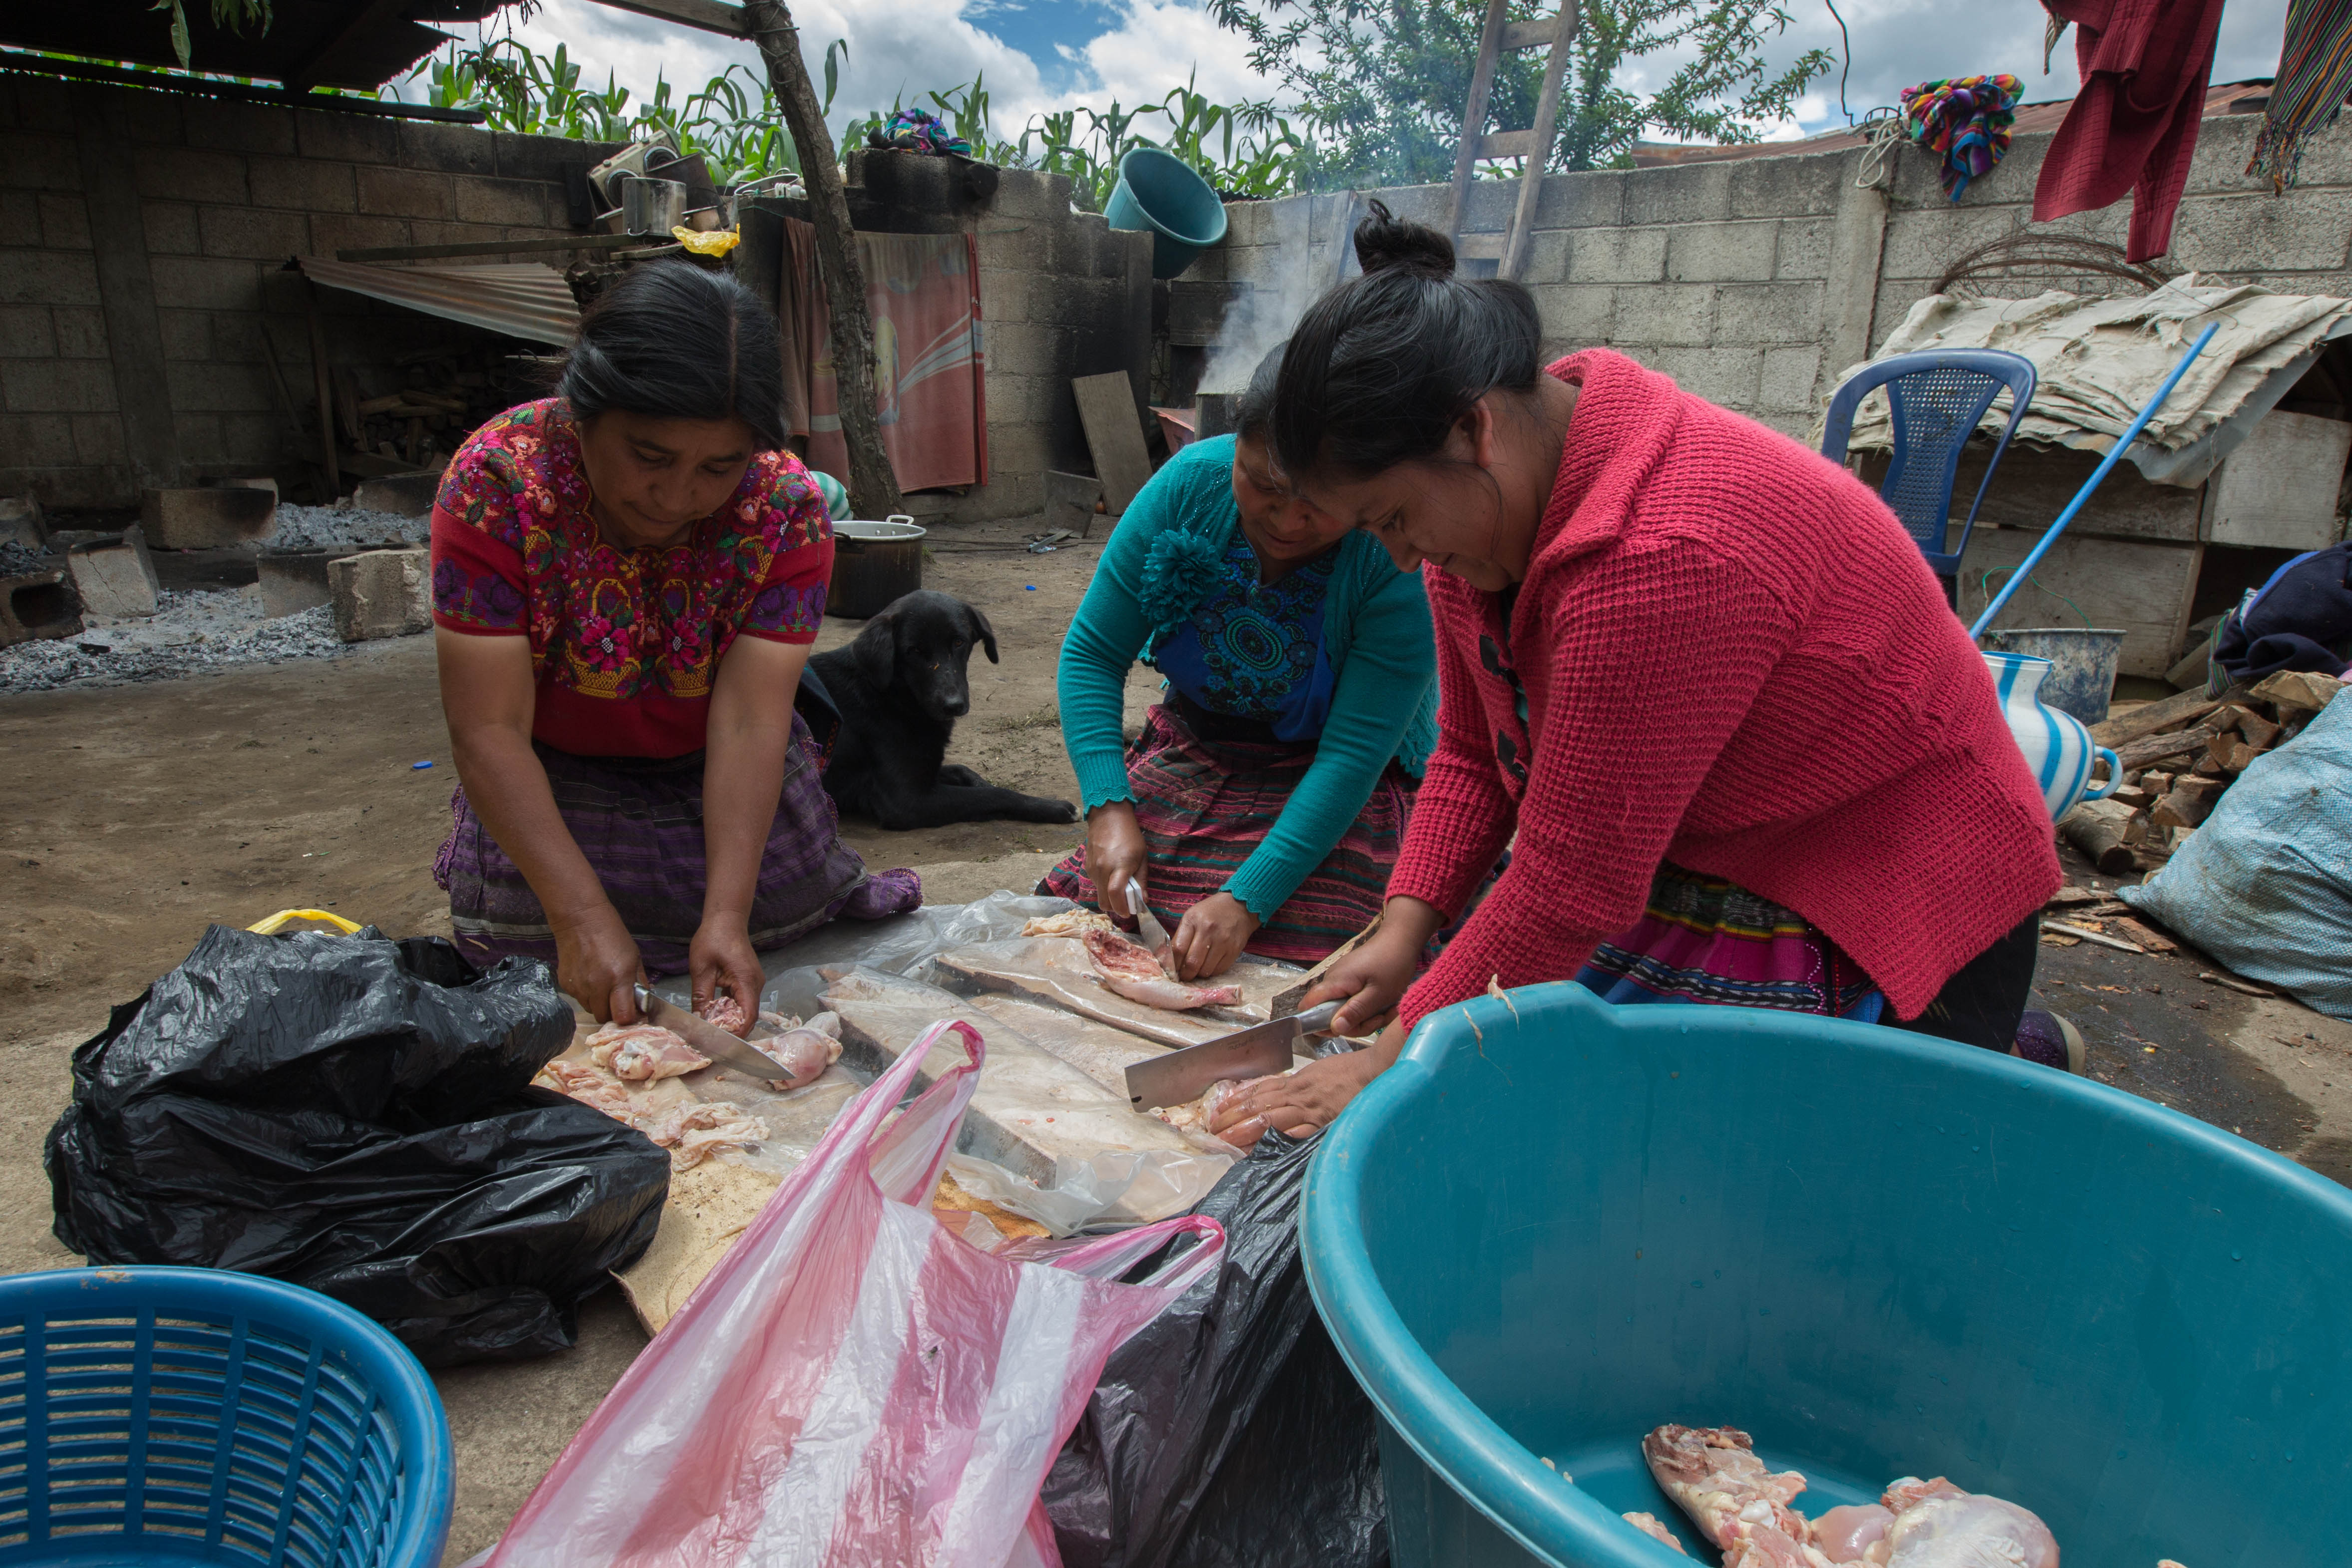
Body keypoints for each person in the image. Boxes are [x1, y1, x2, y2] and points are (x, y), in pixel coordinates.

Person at [1210, 206, 2070, 1147]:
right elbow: (1468, 749)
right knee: (1530, 1064)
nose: (1403, 558)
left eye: (1390, 518)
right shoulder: (1489, 515)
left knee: (1681, 1163)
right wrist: (1405, 930)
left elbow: (1573, 886)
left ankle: (1991, 1056)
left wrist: (1392, 1062)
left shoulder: (1666, 556)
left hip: (1885, 885)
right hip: (1717, 843)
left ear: (1472, 431)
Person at [430, 261, 917, 1026]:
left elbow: (751, 721)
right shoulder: (496, 482)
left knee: (767, 922)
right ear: (583, 412)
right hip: (555, 769)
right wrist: (580, 915)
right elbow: (487, 729)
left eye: (718, 466)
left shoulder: (784, 507)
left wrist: (725, 914)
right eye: (649, 456)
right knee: (533, 956)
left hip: (714, 765)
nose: (677, 495)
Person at [1040, 347, 1439, 975]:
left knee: (1320, 959)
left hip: (1341, 779)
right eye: (1264, 484)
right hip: (1203, 747)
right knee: (1106, 919)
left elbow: (1353, 755)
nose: (1286, 520)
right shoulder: (1190, 486)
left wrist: (1249, 899)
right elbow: (1092, 653)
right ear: (1236, 448)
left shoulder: (1396, 556)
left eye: (1319, 503)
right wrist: (1108, 808)